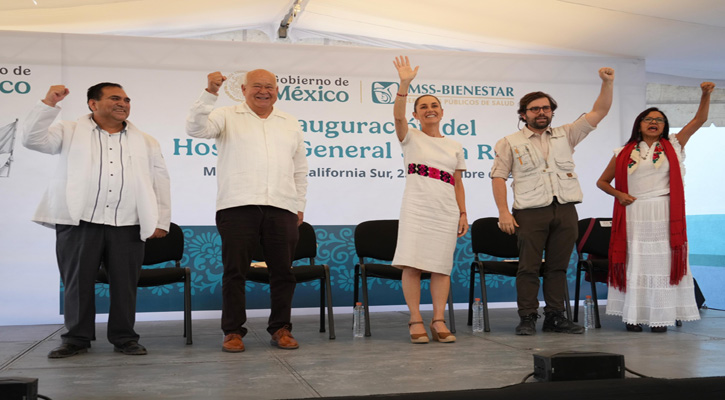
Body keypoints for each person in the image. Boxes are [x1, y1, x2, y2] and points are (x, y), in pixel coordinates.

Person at [23, 83, 171, 358]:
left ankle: (125, 338)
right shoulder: (68, 131)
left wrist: (161, 219)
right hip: (79, 220)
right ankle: (76, 339)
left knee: (125, 284)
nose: (123, 103)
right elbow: (32, 140)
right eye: (115, 98)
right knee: (77, 282)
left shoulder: (146, 140)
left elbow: (159, 180)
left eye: (126, 99)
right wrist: (48, 104)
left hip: (128, 222)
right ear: (93, 104)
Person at [186, 69, 308, 352]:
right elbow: (194, 129)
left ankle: (281, 328)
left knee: (283, 273)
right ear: (243, 89)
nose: (264, 91)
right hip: (237, 205)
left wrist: (299, 205)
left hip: (282, 207)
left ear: (277, 90)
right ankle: (232, 331)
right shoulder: (226, 115)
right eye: (257, 86)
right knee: (234, 272)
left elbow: (299, 167)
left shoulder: (289, 122)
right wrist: (210, 93)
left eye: (270, 87)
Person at [491, 67, 615, 335]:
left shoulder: (566, 134)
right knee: (528, 267)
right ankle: (527, 317)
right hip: (529, 212)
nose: (541, 113)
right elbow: (498, 177)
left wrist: (607, 83)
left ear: (552, 111)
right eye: (535, 109)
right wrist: (503, 211)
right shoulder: (509, 142)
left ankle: (555, 317)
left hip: (565, 209)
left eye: (546, 108)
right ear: (523, 114)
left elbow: (600, 112)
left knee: (559, 267)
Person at [597, 82, 715, 333]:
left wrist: (705, 95)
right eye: (648, 119)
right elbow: (602, 182)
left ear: (665, 126)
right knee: (635, 263)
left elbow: (698, 120)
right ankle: (633, 317)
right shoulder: (623, 152)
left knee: (662, 265)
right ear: (639, 125)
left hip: (664, 212)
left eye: (659, 120)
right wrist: (619, 194)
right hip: (634, 213)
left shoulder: (674, 145)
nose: (654, 122)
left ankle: (660, 317)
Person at [391, 56, 468, 344]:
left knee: (440, 266)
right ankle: (415, 319)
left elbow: (458, 182)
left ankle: (438, 319)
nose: (430, 109)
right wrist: (404, 84)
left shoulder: (455, 146)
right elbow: (397, 116)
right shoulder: (409, 136)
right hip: (416, 207)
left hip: (446, 210)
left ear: (442, 111)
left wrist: (463, 213)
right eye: (423, 107)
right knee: (412, 264)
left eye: (434, 105)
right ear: (416, 115)